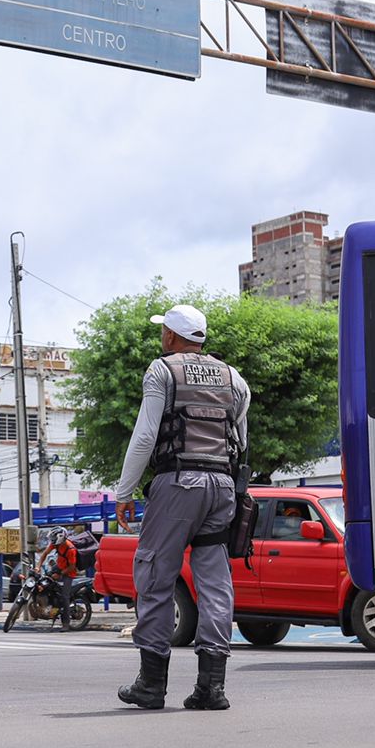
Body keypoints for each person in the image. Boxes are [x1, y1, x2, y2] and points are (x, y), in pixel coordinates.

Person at [114, 304, 249, 712]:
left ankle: (151, 684)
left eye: (163, 333)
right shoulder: (233, 378)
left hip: (178, 484)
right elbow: (240, 439)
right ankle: (211, 687)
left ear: (171, 336)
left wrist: (125, 491)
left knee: (155, 572)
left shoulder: (162, 371)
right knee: (215, 583)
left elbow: (144, 437)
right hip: (222, 487)